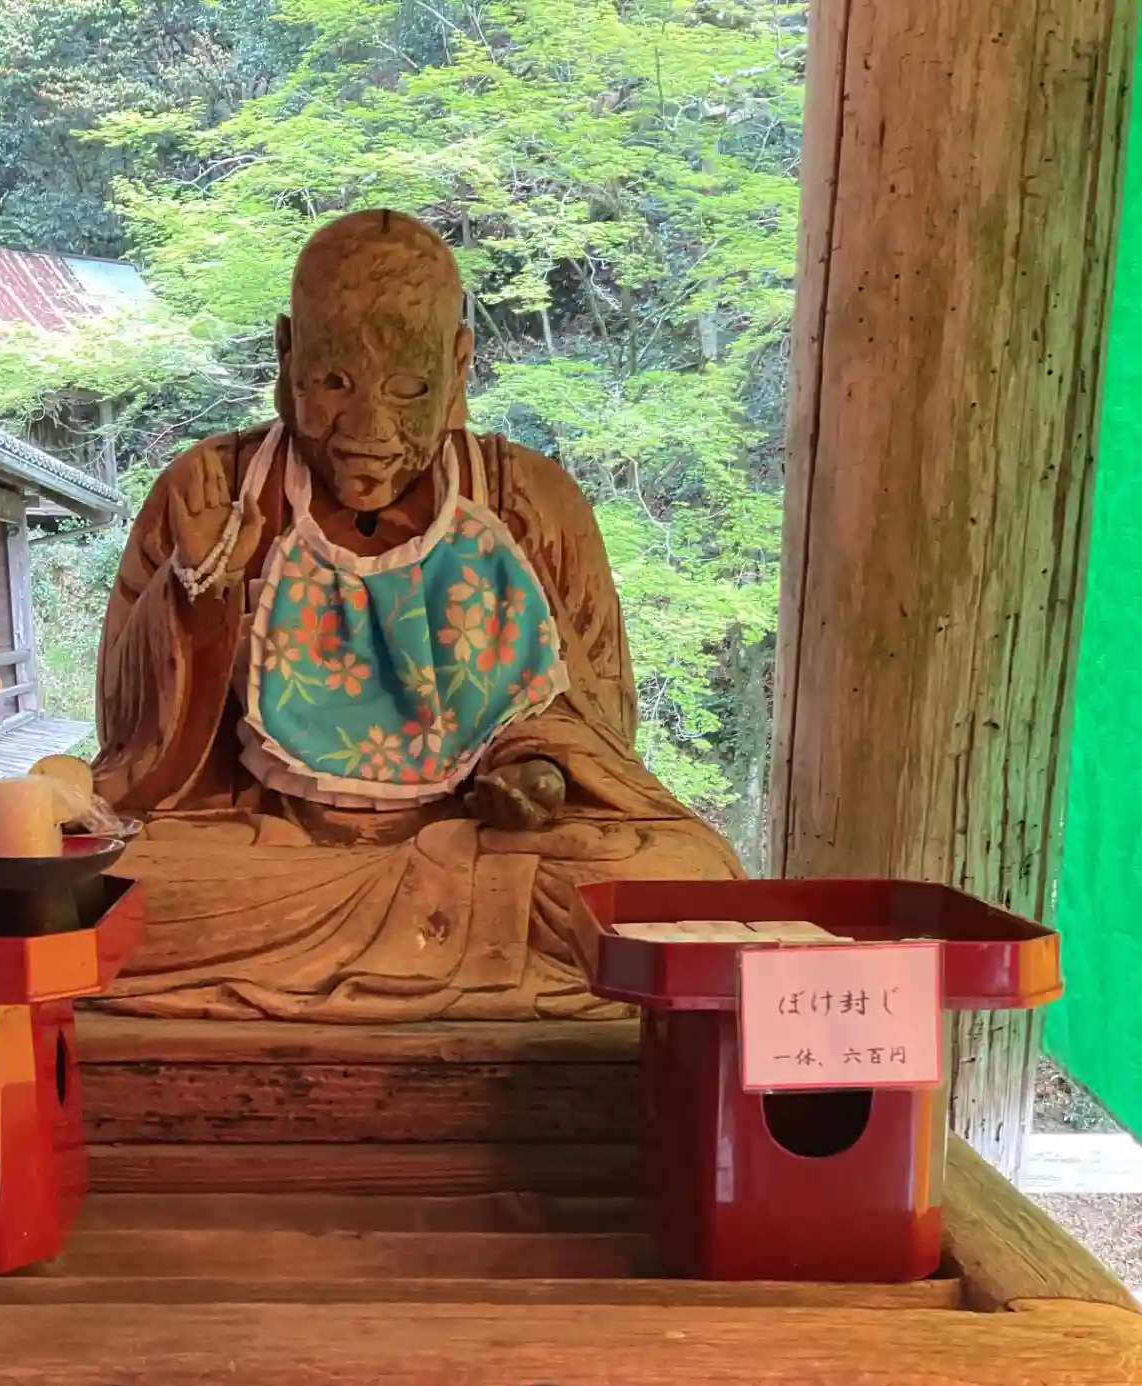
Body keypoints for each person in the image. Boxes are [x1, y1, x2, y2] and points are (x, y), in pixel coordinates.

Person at [94, 208, 739, 1020]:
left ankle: (400, 940)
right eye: (333, 383)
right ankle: (453, 951)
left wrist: (540, 770)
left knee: (689, 875)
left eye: (408, 388)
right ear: (286, 355)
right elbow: (132, 758)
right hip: (276, 851)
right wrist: (197, 596)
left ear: (459, 366)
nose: (369, 428)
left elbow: (599, 714)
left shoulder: (529, 500)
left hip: (483, 849)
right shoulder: (214, 490)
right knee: (121, 884)